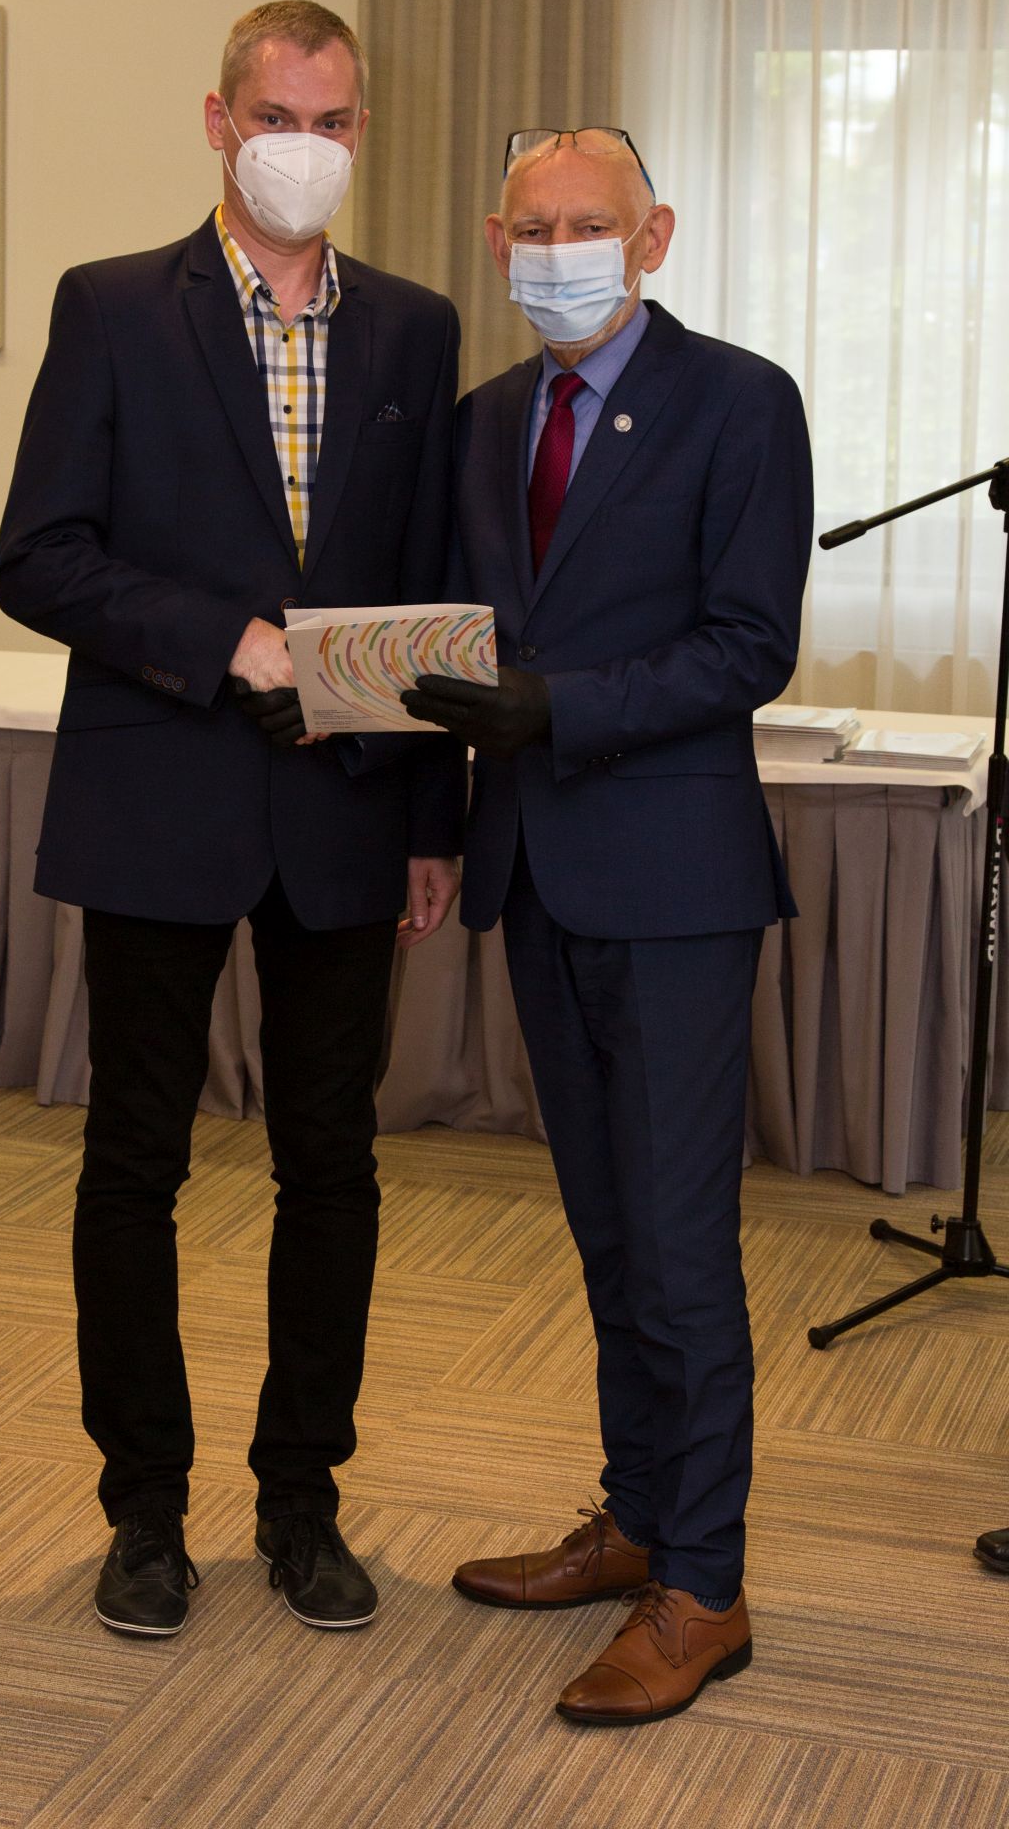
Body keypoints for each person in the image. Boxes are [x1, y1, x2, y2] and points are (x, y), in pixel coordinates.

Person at [0, 0, 463, 1641]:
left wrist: (435, 815)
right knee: (136, 1160)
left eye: (332, 123)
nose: (303, 149)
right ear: (217, 121)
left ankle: (302, 1503)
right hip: (160, 795)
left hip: (350, 810)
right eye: (277, 117)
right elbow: (38, 557)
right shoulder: (114, 306)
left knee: (333, 1166)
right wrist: (226, 642)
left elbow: (429, 591)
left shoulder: (415, 330)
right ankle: (143, 1512)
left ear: (359, 134)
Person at [402, 127, 813, 1726]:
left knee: (682, 1248)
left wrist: (558, 708)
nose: (559, 249)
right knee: (607, 1234)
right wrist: (433, 816)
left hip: (676, 885)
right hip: (534, 874)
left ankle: (704, 1586)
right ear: (495, 236)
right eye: (534, 226)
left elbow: (749, 645)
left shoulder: (741, 401)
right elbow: (450, 648)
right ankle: (637, 1516)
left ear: (654, 235)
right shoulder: (485, 419)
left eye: (591, 223)